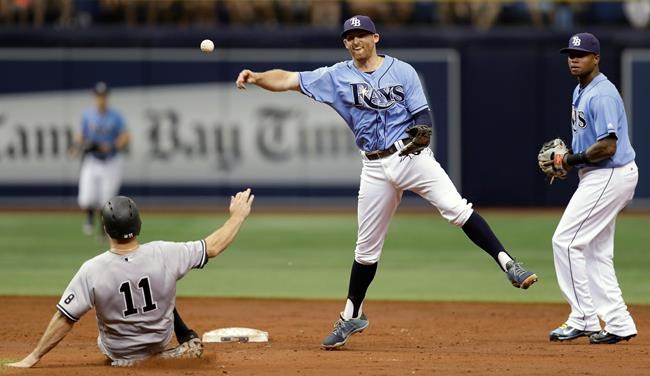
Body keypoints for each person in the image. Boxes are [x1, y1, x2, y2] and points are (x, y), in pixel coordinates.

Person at [235, 15, 538, 350]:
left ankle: (510, 265)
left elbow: (422, 115)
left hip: (411, 157)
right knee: (365, 251)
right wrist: (257, 76)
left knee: (456, 209)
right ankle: (352, 314)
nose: (355, 41)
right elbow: (289, 80)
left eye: (362, 34)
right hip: (374, 166)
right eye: (349, 37)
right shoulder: (336, 76)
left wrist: (423, 131)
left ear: (376, 38)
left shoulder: (402, 71)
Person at [7, 189, 255, 367]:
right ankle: (168, 350)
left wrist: (33, 357)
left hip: (117, 351)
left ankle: (139, 359)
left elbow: (65, 317)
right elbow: (212, 246)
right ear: (139, 225)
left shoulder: (92, 269)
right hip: (159, 341)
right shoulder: (164, 253)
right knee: (163, 288)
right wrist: (238, 216)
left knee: (104, 321)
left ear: (105, 230)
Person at [547, 33, 638, 344]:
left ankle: (583, 317)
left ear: (596, 58)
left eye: (582, 54)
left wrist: (569, 161)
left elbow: (608, 146)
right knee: (596, 252)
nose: (574, 59)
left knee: (566, 242)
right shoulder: (581, 89)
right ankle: (619, 322)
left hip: (610, 175)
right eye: (571, 54)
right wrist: (570, 162)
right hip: (602, 175)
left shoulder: (601, 94)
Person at [71, 81, 129, 237]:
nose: (101, 99)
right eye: (98, 96)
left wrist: (111, 146)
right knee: (87, 196)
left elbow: (125, 136)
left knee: (106, 199)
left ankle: (103, 228)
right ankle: (89, 218)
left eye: (103, 96)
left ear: (107, 97)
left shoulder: (115, 116)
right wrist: (76, 147)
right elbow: (80, 135)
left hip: (110, 161)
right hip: (93, 160)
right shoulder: (88, 115)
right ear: (94, 97)